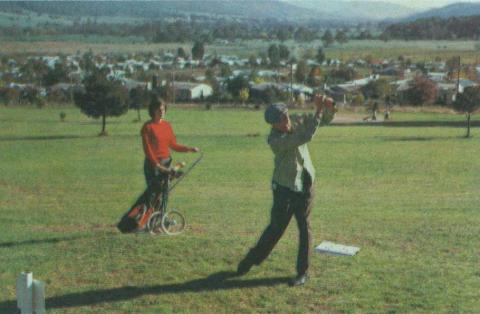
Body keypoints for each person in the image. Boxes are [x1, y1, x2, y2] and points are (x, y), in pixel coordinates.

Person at [236, 95, 334, 286]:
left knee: (305, 227)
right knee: (276, 229)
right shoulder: (275, 140)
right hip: (284, 188)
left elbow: (325, 120)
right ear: (273, 124)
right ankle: (251, 260)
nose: (286, 121)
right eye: (281, 120)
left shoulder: (295, 120)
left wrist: (329, 106)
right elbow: (305, 136)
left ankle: (302, 272)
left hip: (306, 183)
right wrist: (319, 110)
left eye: (286, 116)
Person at [131, 96, 199, 217]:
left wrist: (189, 149)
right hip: (153, 165)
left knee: (165, 193)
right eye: (159, 110)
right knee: (154, 193)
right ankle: (145, 219)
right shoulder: (147, 127)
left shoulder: (167, 125)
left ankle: (160, 219)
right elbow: (148, 150)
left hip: (166, 162)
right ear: (153, 111)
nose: (162, 112)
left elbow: (173, 145)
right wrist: (157, 165)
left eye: (163, 109)